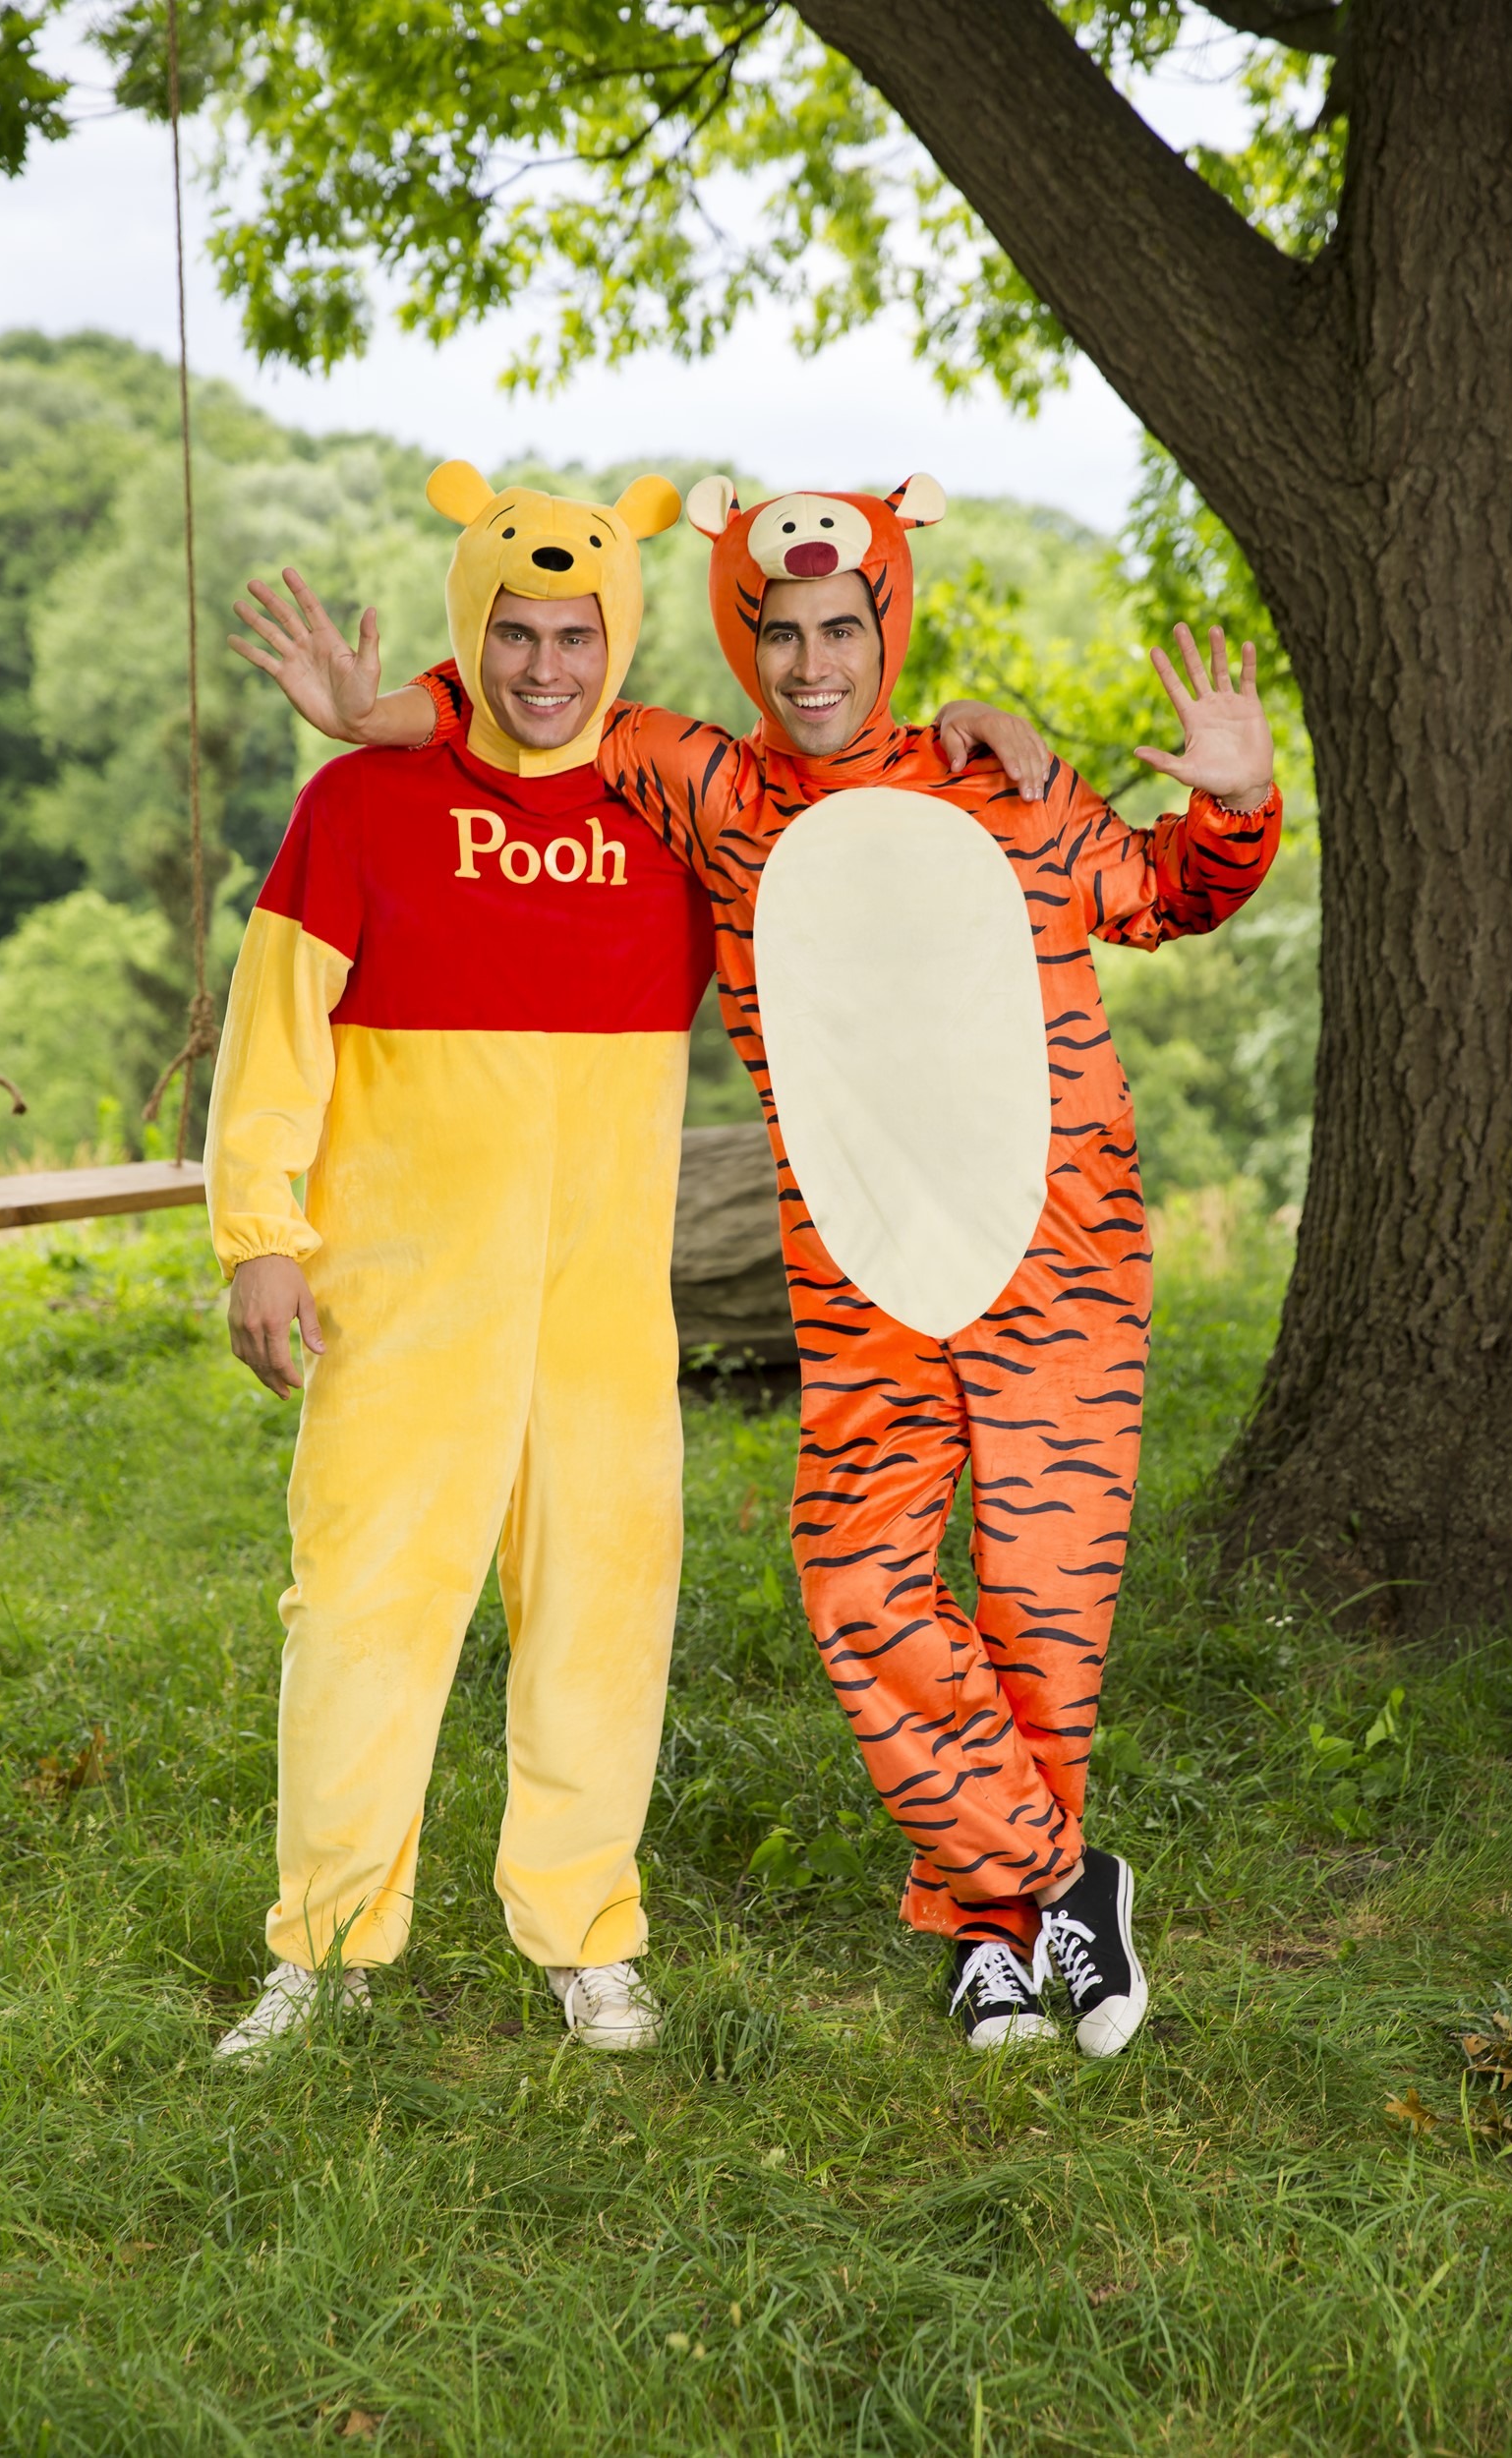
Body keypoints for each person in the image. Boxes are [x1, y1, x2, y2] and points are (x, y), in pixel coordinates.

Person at [336, 470, 1280, 2061]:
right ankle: (1066, 1885)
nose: (812, 662)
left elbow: (1171, 894)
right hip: (861, 1275)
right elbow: (543, 703)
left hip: (1063, 1259)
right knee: (859, 1589)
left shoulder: (999, 778)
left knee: (1043, 1622)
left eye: (842, 627)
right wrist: (379, 711)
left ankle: (988, 1933)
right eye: (780, 633)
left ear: (887, 626)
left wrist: (1237, 799)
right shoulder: (710, 789)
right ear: (742, 639)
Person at [213, 461, 1047, 2062]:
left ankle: (587, 1937)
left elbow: (846, 809)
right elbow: (274, 1033)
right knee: (364, 1613)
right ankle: (320, 1956)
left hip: (601, 1317)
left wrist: (971, 727)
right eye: (515, 633)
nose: (547, 667)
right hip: (400, 1303)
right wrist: (261, 1235)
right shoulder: (359, 805)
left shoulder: (673, 813)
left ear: (623, 638)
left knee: (603, 1618)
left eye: (577, 635)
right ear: (473, 631)